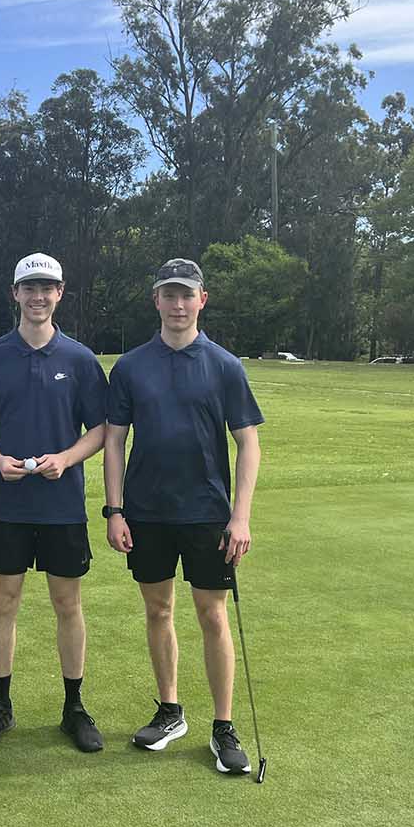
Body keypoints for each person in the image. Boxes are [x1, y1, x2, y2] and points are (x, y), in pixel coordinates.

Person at [102, 258, 264, 774]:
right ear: (156, 301)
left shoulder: (224, 365)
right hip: (147, 512)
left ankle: (223, 726)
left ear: (201, 300)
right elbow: (113, 442)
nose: (177, 305)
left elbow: (248, 443)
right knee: (158, 612)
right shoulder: (130, 366)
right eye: (168, 295)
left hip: (207, 514)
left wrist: (240, 517)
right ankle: (170, 711)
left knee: (213, 616)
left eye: (185, 295)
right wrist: (115, 509)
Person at [0, 252, 108, 752]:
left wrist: (66, 458)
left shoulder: (81, 359)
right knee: (4, 601)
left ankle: (74, 707)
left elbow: (102, 430)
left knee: (68, 603)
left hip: (63, 504)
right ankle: (1, 706)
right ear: (15, 294)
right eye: (30, 288)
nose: (38, 296)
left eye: (47, 288)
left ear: (60, 293)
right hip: (9, 503)